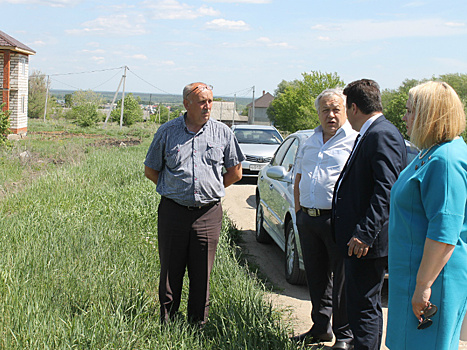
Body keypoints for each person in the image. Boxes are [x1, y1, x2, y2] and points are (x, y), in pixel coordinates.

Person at [144, 82, 244, 326]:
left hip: (208, 214)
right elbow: (151, 170)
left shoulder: (223, 133)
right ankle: (167, 321)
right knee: (171, 270)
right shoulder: (167, 132)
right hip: (173, 212)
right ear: (186, 104)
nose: (208, 106)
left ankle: (198, 324)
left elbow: (236, 172)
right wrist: (176, 190)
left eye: (210, 101)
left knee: (202, 272)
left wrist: (211, 189)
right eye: (202, 101)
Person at [386, 81, 467, 350]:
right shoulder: (430, 153)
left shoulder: (446, 161)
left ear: (429, 117)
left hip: (433, 279)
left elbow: (445, 231)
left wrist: (423, 285)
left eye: (410, 111)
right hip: (414, 274)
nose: (404, 117)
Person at [332, 79, 407, 350]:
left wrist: (364, 233)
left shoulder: (381, 133)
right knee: (361, 304)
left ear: (353, 107)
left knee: (364, 307)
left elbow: (386, 188)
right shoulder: (372, 131)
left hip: (367, 244)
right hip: (359, 240)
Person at [292, 88, 356, 350]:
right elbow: (297, 178)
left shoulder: (355, 141)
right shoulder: (309, 141)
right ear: (318, 113)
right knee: (316, 278)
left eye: (336, 109)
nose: (331, 115)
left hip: (337, 221)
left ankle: (345, 336)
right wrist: (298, 213)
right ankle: (320, 328)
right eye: (325, 110)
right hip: (309, 219)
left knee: (341, 281)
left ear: (346, 110)